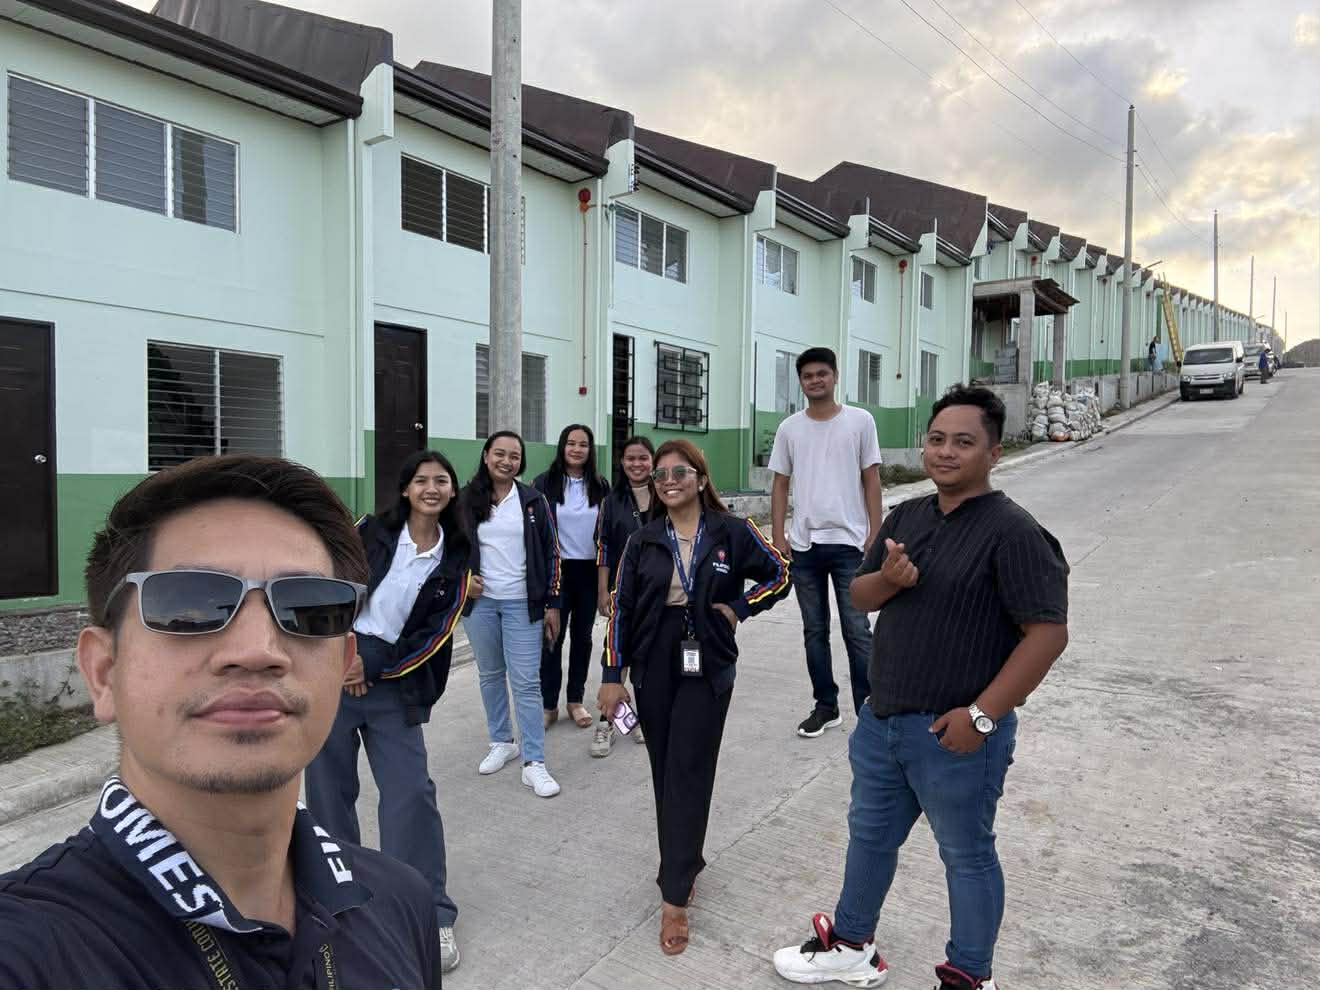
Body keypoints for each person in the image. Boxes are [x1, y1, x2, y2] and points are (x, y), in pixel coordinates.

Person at [0, 455, 444, 989]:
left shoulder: (401, 903)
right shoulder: (29, 952)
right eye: (191, 605)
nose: (258, 650)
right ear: (103, 671)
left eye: (309, 609)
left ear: (342, 663)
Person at [773, 385, 1069, 990]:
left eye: (964, 442)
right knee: (869, 839)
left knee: (966, 856)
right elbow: (860, 596)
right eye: (937, 439)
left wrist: (982, 717)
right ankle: (851, 946)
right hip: (882, 722)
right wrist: (890, 579)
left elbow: (1047, 635)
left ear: (994, 453)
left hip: (953, 735)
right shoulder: (907, 516)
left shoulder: (1014, 532)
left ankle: (969, 976)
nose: (946, 452)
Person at [597, 439, 791, 955]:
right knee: (665, 770)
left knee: (689, 768)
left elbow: (780, 573)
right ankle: (683, 860)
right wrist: (613, 673)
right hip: (655, 658)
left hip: (709, 661)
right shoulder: (643, 540)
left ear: (701, 479)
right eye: (660, 475)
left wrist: (739, 608)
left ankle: (674, 894)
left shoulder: (731, 532)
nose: (669, 481)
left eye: (679, 471)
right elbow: (621, 609)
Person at [305, 449, 473, 973]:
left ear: (452, 491)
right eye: (421, 480)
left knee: (410, 796)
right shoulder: (369, 532)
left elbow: (434, 635)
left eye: (441, 480)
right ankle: (338, 899)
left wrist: (372, 666)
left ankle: (429, 913)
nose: (431, 488)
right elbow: (330, 587)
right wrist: (342, 653)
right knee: (328, 792)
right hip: (336, 668)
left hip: (396, 681)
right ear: (405, 489)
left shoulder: (457, 560)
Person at [769, 347, 883, 737]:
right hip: (805, 546)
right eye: (808, 375)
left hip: (850, 544)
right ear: (800, 382)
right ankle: (825, 706)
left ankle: (870, 710)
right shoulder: (790, 428)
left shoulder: (860, 421)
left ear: (834, 376)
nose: (815, 380)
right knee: (814, 631)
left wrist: (875, 532)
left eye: (822, 373)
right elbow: (780, 483)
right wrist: (779, 535)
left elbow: (871, 478)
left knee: (857, 630)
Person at [460, 430, 563, 798]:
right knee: (490, 674)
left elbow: (552, 552)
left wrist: (552, 602)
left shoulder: (533, 500)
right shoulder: (465, 499)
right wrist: (464, 580)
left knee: (526, 682)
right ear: (486, 455)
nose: (506, 461)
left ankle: (534, 762)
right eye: (500, 453)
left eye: (514, 456)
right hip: (481, 605)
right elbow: (449, 548)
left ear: (521, 462)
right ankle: (502, 741)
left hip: (523, 602)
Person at [533, 424, 610, 731]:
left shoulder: (600, 486)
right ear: (562, 446)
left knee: (583, 637)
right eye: (571, 443)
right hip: (557, 570)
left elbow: (607, 533)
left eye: (583, 444)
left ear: (590, 450)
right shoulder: (543, 483)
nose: (577, 449)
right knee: (552, 637)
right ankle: (548, 704)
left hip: (589, 571)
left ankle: (575, 700)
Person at [590, 435, 656, 757]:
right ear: (622, 462)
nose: (637, 464)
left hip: (658, 590)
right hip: (622, 590)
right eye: (631, 458)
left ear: (653, 461)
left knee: (649, 657)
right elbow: (603, 547)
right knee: (615, 656)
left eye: (643, 458)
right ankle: (607, 723)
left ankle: (637, 718)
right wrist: (603, 590)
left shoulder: (665, 494)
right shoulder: (611, 501)